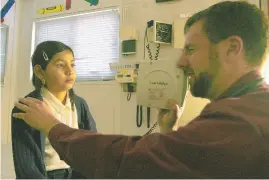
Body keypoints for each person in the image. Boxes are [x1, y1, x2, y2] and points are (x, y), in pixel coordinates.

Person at [13, 1, 269, 178]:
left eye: (190, 49)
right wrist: (171, 133)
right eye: (60, 65)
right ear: (39, 71)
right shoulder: (247, 108)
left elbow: (137, 160)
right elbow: (181, 161)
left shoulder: (242, 122)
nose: (181, 62)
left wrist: (52, 126)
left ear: (233, 48)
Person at [11, 41, 98, 179]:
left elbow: (93, 147)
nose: (70, 71)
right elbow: (26, 167)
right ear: (40, 72)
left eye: (72, 64)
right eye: (60, 65)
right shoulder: (27, 108)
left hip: (77, 174)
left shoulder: (80, 105)